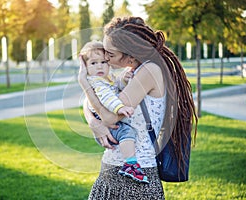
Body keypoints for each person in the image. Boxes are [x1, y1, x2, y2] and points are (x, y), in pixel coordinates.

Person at [78, 16, 197, 200]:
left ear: (130, 54)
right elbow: (93, 103)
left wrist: (84, 84)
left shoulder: (149, 72)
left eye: (110, 54)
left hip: (137, 180)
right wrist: (93, 121)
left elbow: (109, 118)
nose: (106, 59)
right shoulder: (129, 73)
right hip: (109, 173)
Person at [79, 40, 149, 183]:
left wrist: (123, 80)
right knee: (126, 132)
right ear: (85, 68)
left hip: (103, 115)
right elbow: (108, 98)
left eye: (103, 62)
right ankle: (130, 164)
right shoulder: (97, 82)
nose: (99, 66)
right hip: (104, 117)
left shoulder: (106, 78)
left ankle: (130, 163)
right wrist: (120, 108)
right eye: (93, 63)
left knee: (127, 132)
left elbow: (116, 88)